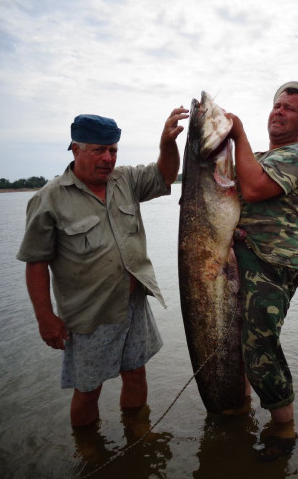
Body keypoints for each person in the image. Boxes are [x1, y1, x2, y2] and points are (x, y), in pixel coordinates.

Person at [16, 108, 188, 427]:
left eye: (113, 150)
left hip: (133, 304)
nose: (108, 158)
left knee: (136, 374)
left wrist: (167, 143)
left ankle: (137, 434)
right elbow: (35, 262)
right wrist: (45, 318)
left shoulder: (125, 180)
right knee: (88, 389)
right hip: (90, 315)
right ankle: (89, 451)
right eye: (99, 150)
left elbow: (165, 176)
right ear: (76, 149)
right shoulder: (48, 199)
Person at [226, 81, 298, 452]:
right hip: (240, 262)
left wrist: (239, 134)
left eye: (290, 109)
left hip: (270, 265)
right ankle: (241, 408)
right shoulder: (262, 157)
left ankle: (284, 430)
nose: (279, 111)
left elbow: (251, 190)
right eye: (277, 105)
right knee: (238, 345)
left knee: (260, 348)